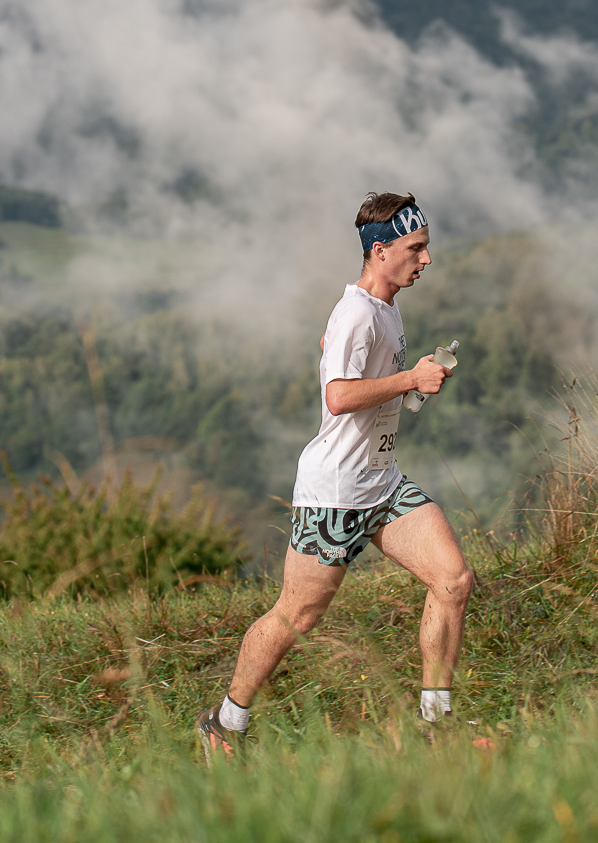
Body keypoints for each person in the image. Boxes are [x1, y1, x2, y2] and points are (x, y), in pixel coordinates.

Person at [196, 192, 476, 760]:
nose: (426, 259)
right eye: (415, 249)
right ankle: (224, 724)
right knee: (297, 615)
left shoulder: (384, 308)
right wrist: (410, 379)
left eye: (426, 247)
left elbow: (342, 362)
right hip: (337, 494)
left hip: (383, 483)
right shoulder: (357, 312)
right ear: (380, 251)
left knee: (453, 582)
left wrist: (402, 374)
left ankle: (436, 728)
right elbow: (339, 396)